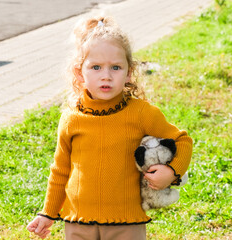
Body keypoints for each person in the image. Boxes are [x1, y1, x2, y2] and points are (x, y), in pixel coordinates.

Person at [27, 15, 193, 240]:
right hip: (78, 222)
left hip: (126, 223)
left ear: (128, 73)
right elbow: (60, 170)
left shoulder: (141, 112)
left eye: (115, 67)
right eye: (96, 67)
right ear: (79, 72)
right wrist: (47, 213)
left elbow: (182, 140)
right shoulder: (71, 117)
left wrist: (172, 173)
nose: (106, 76)